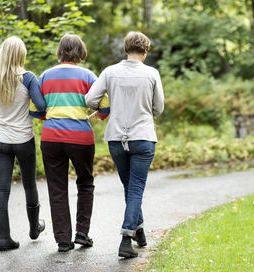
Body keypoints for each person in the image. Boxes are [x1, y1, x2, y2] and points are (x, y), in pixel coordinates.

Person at [85, 31, 164, 258]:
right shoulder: (152, 73)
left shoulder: (110, 72)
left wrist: (110, 102)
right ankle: (126, 239)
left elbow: (89, 99)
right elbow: (158, 108)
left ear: (126, 49)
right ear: (145, 51)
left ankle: (138, 231)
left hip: (116, 138)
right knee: (136, 188)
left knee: (130, 188)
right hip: (143, 137)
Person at [37, 34, 109, 252]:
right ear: (81, 52)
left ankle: (63, 240)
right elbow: (105, 103)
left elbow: (36, 108)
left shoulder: (45, 76)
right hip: (80, 137)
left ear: (60, 51)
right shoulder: (88, 76)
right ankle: (82, 233)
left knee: (56, 187)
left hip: (51, 137)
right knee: (85, 182)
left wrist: (50, 116)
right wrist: (98, 114)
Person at [0, 36, 46, 251]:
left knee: (3, 189)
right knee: (29, 184)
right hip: (24, 140)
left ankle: (4, 238)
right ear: (21, 55)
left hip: (1, 142)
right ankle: (34, 229)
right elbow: (42, 106)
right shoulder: (28, 78)